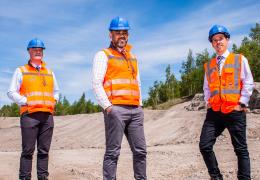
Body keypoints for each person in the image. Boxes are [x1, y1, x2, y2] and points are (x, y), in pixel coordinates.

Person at [92, 16, 147, 180]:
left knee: (141, 150)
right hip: (115, 110)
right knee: (113, 152)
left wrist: (140, 106)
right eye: (118, 33)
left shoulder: (133, 58)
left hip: (135, 110)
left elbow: (137, 83)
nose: (122, 36)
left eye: (124, 33)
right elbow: (96, 83)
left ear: (128, 35)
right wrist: (108, 107)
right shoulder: (103, 55)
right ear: (111, 35)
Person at [199, 25, 254, 180]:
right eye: (214, 40)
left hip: (235, 110)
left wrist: (242, 103)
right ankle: (216, 177)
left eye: (221, 39)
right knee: (204, 145)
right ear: (212, 43)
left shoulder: (239, 59)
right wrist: (207, 101)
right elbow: (206, 87)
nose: (218, 42)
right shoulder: (209, 65)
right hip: (215, 112)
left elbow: (248, 82)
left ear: (227, 39)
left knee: (240, 149)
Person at [7, 38, 60, 180]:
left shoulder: (49, 72)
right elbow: (11, 92)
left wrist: (54, 101)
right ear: (29, 51)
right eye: (35, 49)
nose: (38, 51)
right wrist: (27, 101)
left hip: (47, 116)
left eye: (40, 49)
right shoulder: (21, 70)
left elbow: (56, 91)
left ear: (43, 52)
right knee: (28, 151)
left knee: (44, 151)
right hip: (29, 115)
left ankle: (43, 177)